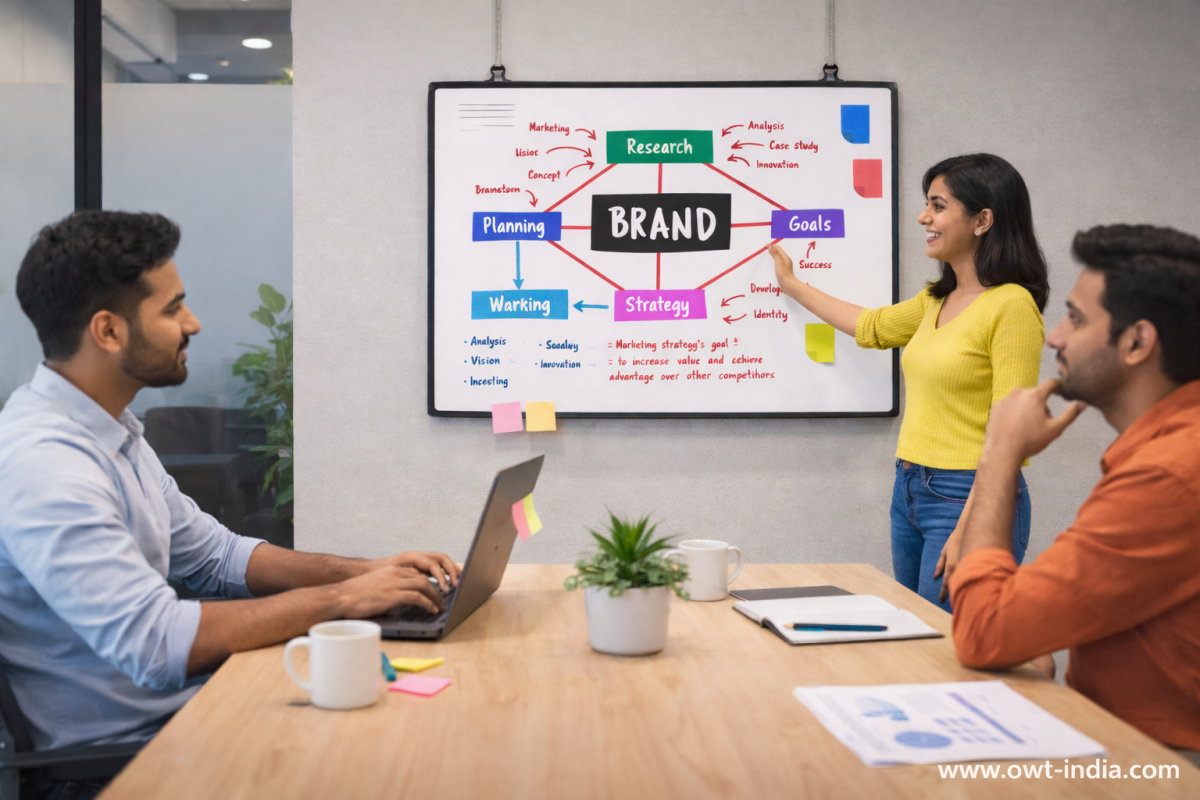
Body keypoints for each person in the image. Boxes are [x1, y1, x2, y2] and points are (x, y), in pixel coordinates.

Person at [0, 210, 460, 757]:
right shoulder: (45, 465)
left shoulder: (113, 431)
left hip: (196, 710)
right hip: (125, 759)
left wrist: (367, 572)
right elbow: (155, 641)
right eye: (172, 309)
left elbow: (218, 558)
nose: (193, 322)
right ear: (108, 330)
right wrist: (342, 599)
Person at [949, 224, 1200, 762]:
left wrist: (999, 453)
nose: (1056, 336)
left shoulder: (1169, 475)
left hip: (1161, 764)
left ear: (1137, 342)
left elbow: (984, 631)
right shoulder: (1172, 449)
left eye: (1077, 318)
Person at [769, 153, 1048, 610]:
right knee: (919, 633)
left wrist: (972, 523)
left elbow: (1011, 433)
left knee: (945, 647)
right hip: (911, 487)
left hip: (968, 496)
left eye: (937, 206)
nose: (924, 217)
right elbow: (870, 327)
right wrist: (791, 285)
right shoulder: (937, 299)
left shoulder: (1011, 306)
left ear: (983, 220)